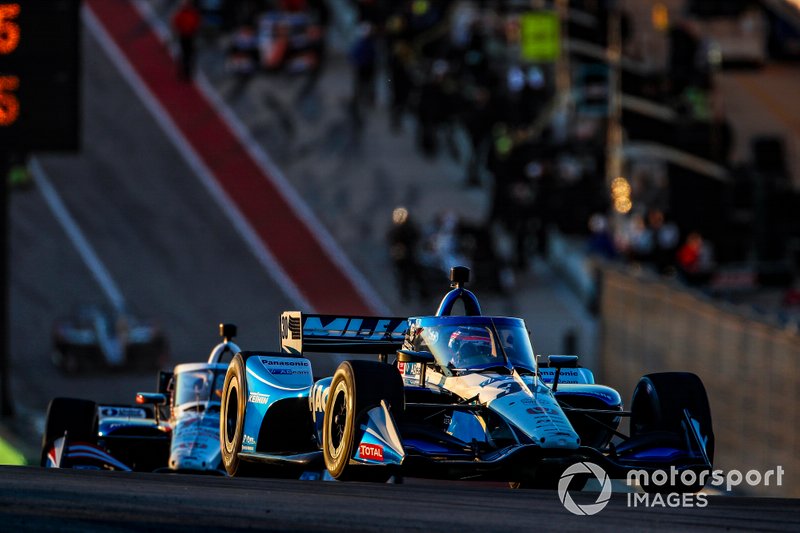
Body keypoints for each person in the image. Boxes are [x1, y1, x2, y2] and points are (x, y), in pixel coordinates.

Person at [172, 0, 202, 81]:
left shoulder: (192, 14)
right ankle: (184, 72)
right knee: (184, 55)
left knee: (190, 55)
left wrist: (194, 31)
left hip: (190, 36)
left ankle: (188, 73)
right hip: (184, 36)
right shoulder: (181, 13)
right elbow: (176, 23)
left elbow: (197, 23)